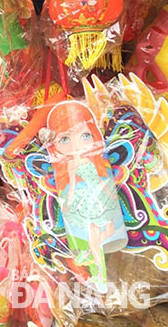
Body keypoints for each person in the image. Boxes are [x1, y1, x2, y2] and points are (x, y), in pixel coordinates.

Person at [45, 101, 128, 291]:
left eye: (85, 135)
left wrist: (108, 194)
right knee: (92, 233)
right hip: (82, 200)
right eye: (65, 139)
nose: (76, 144)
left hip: (99, 199)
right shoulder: (68, 165)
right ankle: (99, 273)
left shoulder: (97, 159)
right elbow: (72, 184)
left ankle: (98, 270)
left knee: (102, 231)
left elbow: (103, 181)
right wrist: (68, 202)